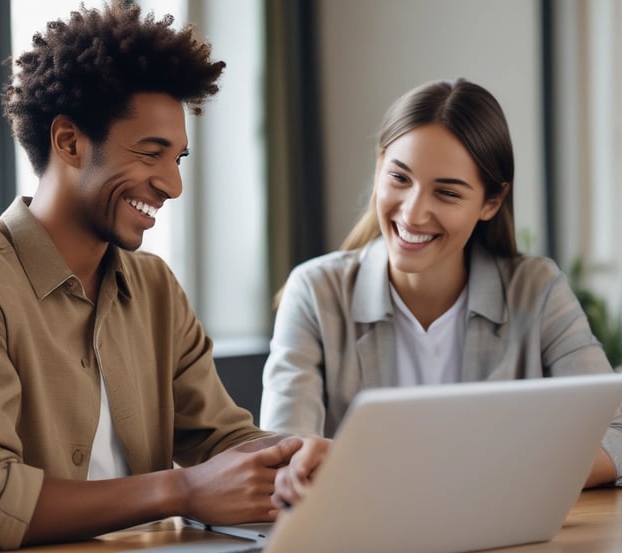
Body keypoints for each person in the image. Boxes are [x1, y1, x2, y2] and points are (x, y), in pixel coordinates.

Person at [0, 3, 328, 552]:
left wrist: (301, 455)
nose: (172, 185)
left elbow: (220, 439)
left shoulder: (153, 288)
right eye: (151, 154)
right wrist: (181, 490)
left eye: (179, 159)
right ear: (69, 142)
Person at [259, 77, 622, 488]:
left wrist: (476, 476)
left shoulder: (536, 289)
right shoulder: (315, 290)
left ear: (491, 202)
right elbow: (284, 452)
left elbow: (617, 432)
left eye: (446, 193)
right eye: (399, 178)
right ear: (379, 166)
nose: (413, 214)